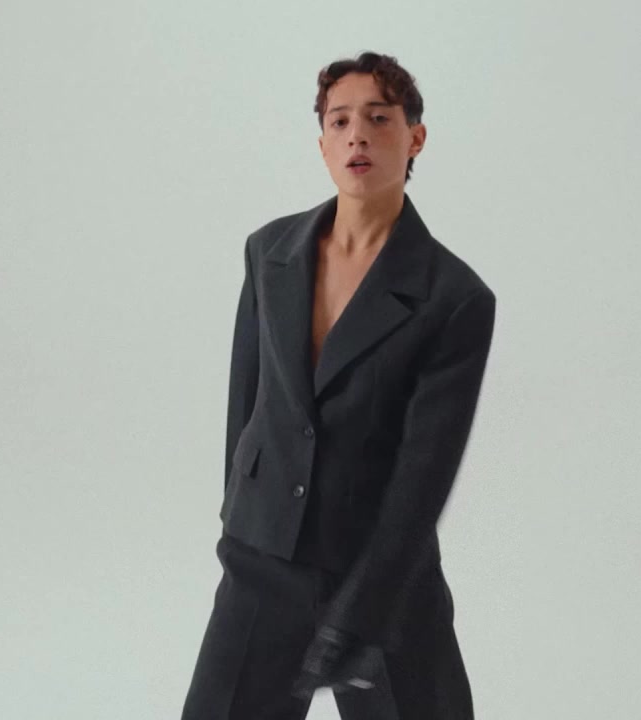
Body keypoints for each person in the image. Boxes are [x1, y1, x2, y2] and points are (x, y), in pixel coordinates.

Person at [180, 50, 496, 720]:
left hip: (382, 579)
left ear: (415, 138)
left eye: (379, 119)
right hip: (264, 565)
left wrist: (365, 610)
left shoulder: (454, 297)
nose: (358, 136)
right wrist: (241, 524)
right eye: (340, 120)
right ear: (321, 142)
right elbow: (248, 403)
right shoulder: (269, 253)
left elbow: (424, 475)